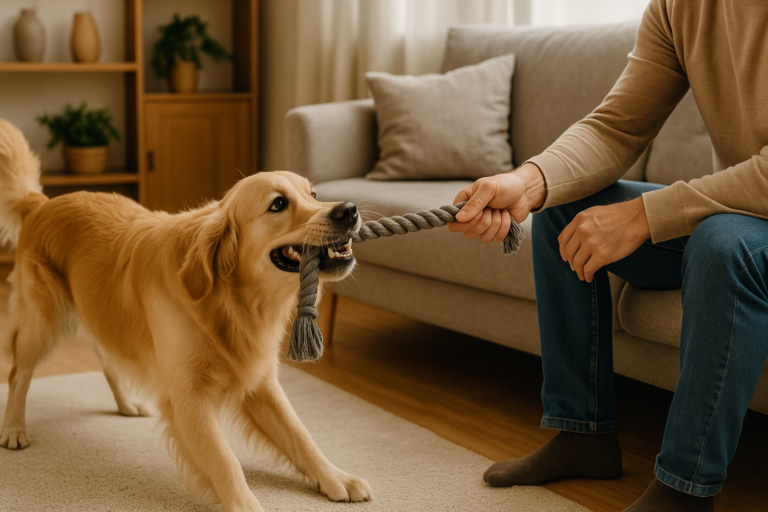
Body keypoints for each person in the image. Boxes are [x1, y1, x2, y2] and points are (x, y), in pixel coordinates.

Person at [447, 1, 768, 511]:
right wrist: (527, 183)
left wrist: (644, 215)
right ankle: (584, 435)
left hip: (741, 232)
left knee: (722, 244)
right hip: (739, 214)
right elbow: (617, 126)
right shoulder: (678, 8)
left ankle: (685, 489)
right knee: (565, 208)